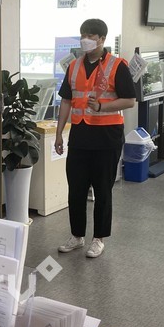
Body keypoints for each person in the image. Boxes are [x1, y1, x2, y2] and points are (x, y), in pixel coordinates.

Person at [55, 19, 136, 258]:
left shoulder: (117, 65)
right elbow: (67, 101)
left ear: (102, 39)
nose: (85, 40)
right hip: (80, 135)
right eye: (83, 35)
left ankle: (99, 238)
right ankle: (77, 235)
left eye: (91, 36)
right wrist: (59, 133)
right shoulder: (74, 66)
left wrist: (102, 106)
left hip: (107, 137)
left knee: (102, 190)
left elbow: (130, 100)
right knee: (76, 190)